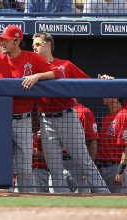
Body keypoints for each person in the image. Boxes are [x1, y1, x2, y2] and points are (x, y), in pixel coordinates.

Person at [0, 24, 62, 192]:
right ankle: (4, 203)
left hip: (24, 119)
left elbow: (57, 72)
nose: (2, 42)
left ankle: (25, 205)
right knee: (1, 166)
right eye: (1, 39)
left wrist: (38, 76)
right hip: (1, 120)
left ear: (17, 42)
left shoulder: (33, 58)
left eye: (6, 40)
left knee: (24, 168)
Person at [32, 32, 110, 193]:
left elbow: (88, 84)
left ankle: (105, 195)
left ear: (48, 45)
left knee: (84, 162)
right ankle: (60, 208)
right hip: (46, 120)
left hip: (66, 117)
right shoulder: (32, 66)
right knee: (54, 167)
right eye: (33, 44)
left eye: (38, 44)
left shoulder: (65, 65)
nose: (34, 47)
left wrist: (103, 80)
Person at [97, 97, 127, 193]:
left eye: (107, 94)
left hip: (117, 167)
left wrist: (120, 171)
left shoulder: (124, 114)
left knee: (120, 203)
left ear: (115, 97)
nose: (103, 97)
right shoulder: (106, 117)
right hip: (103, 169)